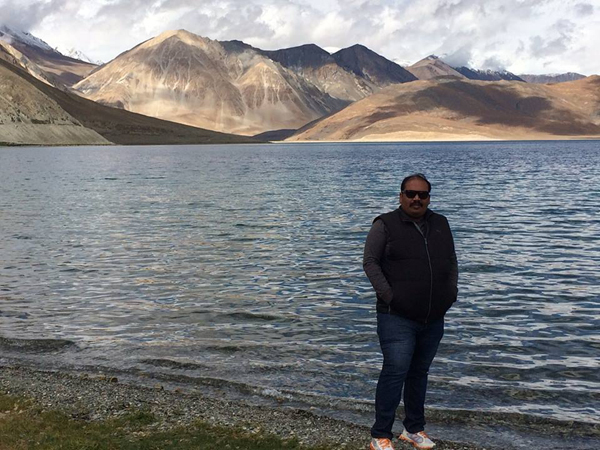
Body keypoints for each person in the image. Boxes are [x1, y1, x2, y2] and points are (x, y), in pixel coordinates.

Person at [363, 173, 458, 450]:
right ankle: (380, 435)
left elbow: (451, 261)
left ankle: (413, 429)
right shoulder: (385, 224)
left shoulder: (440, 223)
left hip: (433, 316)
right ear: (401, 196)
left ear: (428, 197)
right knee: (395, 372)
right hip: (396, 317)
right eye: (411, 193)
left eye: (423, 194)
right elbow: (370, 263)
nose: (417, 199)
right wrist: (390, 297)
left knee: (419, 373)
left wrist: (450, 294)